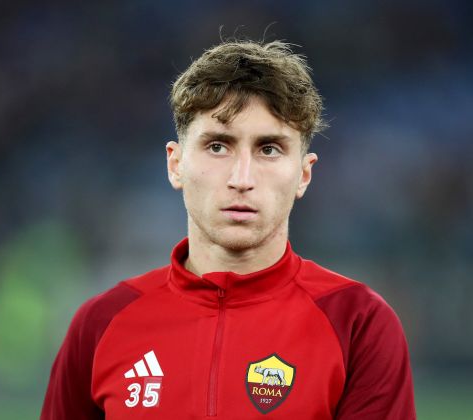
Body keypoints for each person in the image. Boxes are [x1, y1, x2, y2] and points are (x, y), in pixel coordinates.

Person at [41, 38, 416, 419]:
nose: (242, 178)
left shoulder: (358, 323)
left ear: (304, 174)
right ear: (176, 164)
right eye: (218, 146)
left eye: (269, 149)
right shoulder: (101, 324)